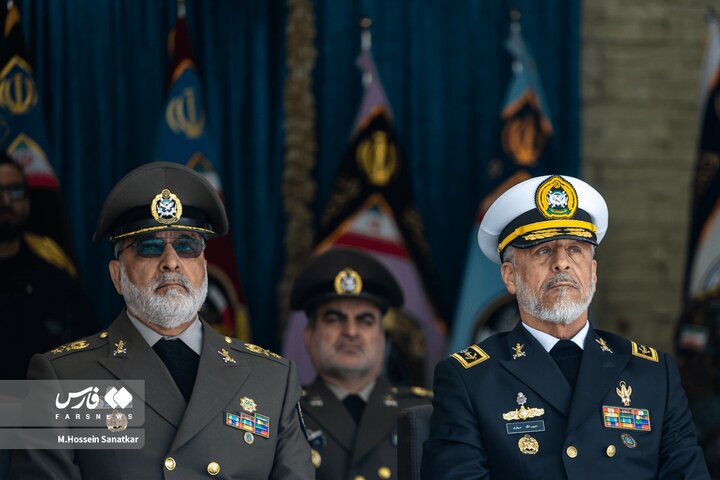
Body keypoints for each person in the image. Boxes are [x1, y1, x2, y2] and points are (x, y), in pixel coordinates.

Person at [10, 162, 313, 479]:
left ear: (204, 266)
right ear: (117, 276)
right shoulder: (61, 377)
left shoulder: (273, 380)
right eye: (150, 247)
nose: (171, 262)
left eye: (186, 246)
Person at [421, 174, 710, 479]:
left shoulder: (654, 374)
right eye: (543, 250)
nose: (562, 262)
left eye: (575, 249)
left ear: (593, 272)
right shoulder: (469, 380)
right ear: (510, 276)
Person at [291, 247, 432, 480]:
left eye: (365, 320)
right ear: (309, 335)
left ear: (383, 337)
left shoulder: (426, 412)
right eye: (334, 318)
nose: (351, 331)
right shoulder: (285, 413)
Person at [0, 153, 95, 380]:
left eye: (15, 191)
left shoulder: (57, 283)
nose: (6, 201)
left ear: (28, 200)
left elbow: (90, 360)